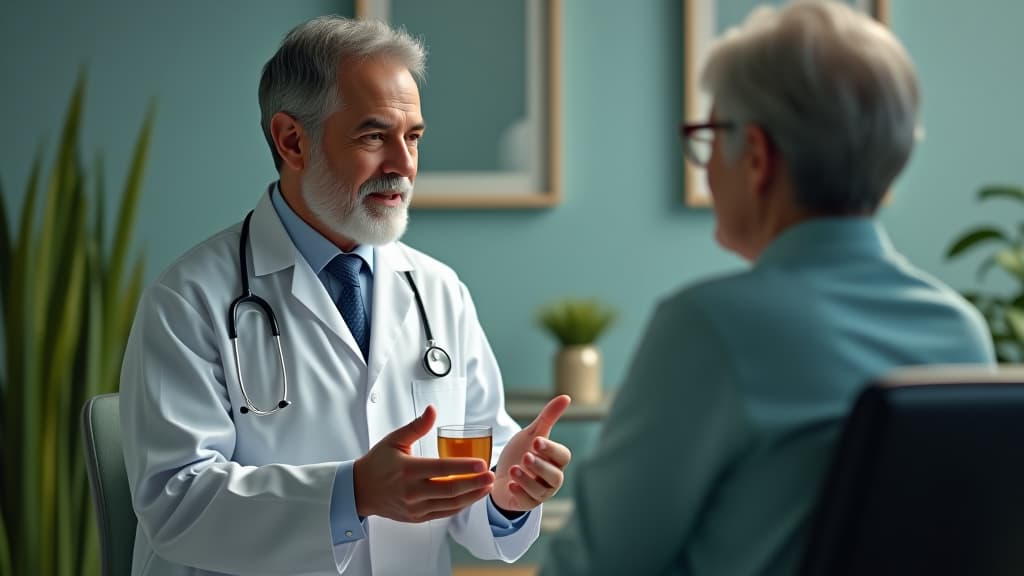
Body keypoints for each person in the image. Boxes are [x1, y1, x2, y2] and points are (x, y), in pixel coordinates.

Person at [541, 1, 995, 575]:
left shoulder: (707, 328)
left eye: (709, 136)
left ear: (756, 156)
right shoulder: (960, 333)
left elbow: (594, 567)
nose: (706, 168)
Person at [120, 16, 572, 576]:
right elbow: (176, 503)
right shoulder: (188, 299)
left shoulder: (438, 291)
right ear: (292, 140)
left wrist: (507, 493)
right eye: (374, 136)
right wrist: (352, 493)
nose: (404, 166)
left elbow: (473, 483)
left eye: (413, 138)